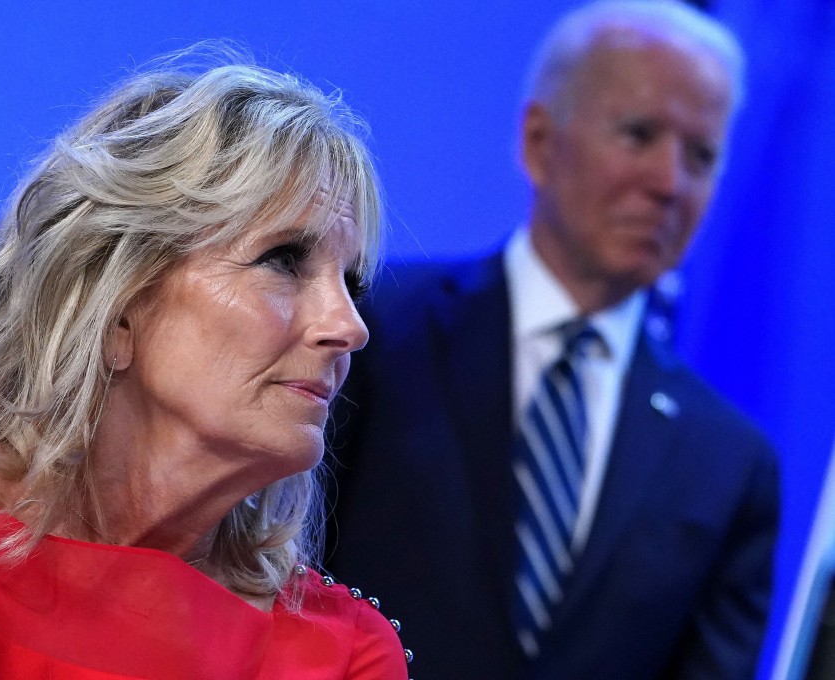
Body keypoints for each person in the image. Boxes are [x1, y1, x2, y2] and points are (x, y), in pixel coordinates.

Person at [0, 46, 411, 679]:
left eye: (350, 283)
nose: (348, 328)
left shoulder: (341, 656)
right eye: (283, 260)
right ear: (120, 301)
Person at [327, 1, 779, 678]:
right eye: (639, 133)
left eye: (702, 155)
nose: (669, 183)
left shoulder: (731, 466)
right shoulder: (371, 330)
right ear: (540, 141)